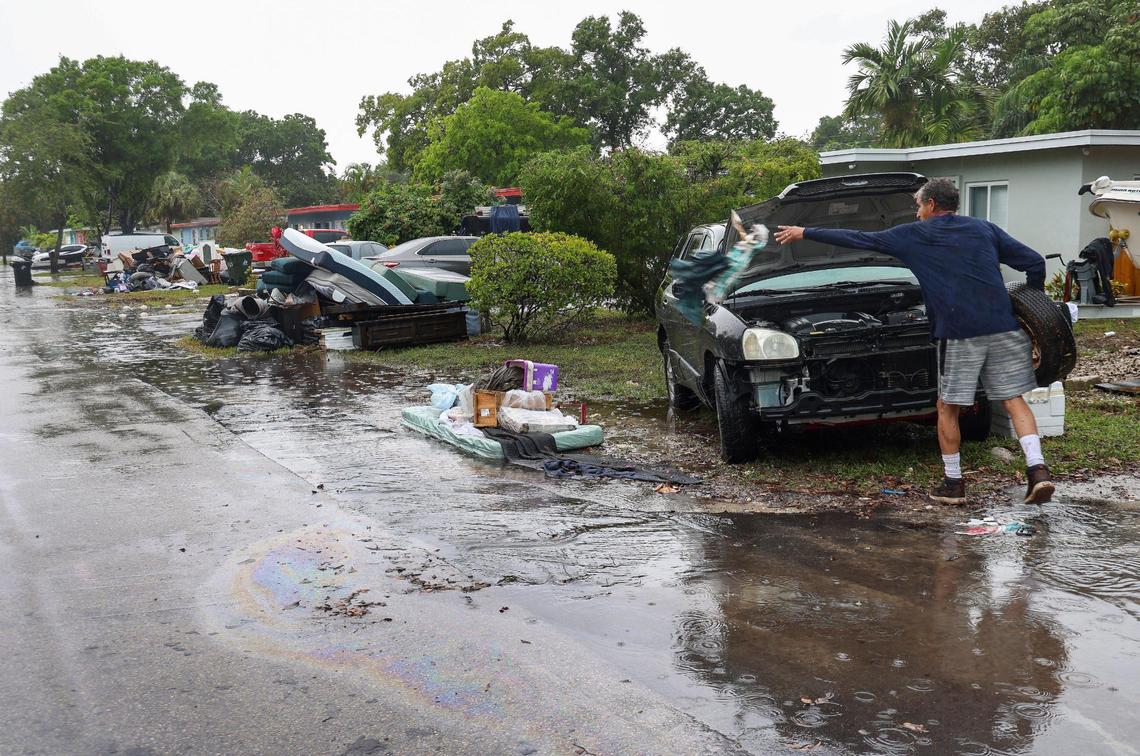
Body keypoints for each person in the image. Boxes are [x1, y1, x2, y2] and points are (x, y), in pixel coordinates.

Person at [773, 178, 1054, 505]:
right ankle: (1038, 473)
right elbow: (1035, 263)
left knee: (947, 408)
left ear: (932, 205)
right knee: (1012, 400)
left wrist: (804, 232)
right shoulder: (984, 229)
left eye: (919, 205)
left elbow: (859, 238)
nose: (917, 212)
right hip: (1004, 327)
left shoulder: (914, 235)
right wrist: (1036, 310)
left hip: (959, 333)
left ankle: (953, 484)